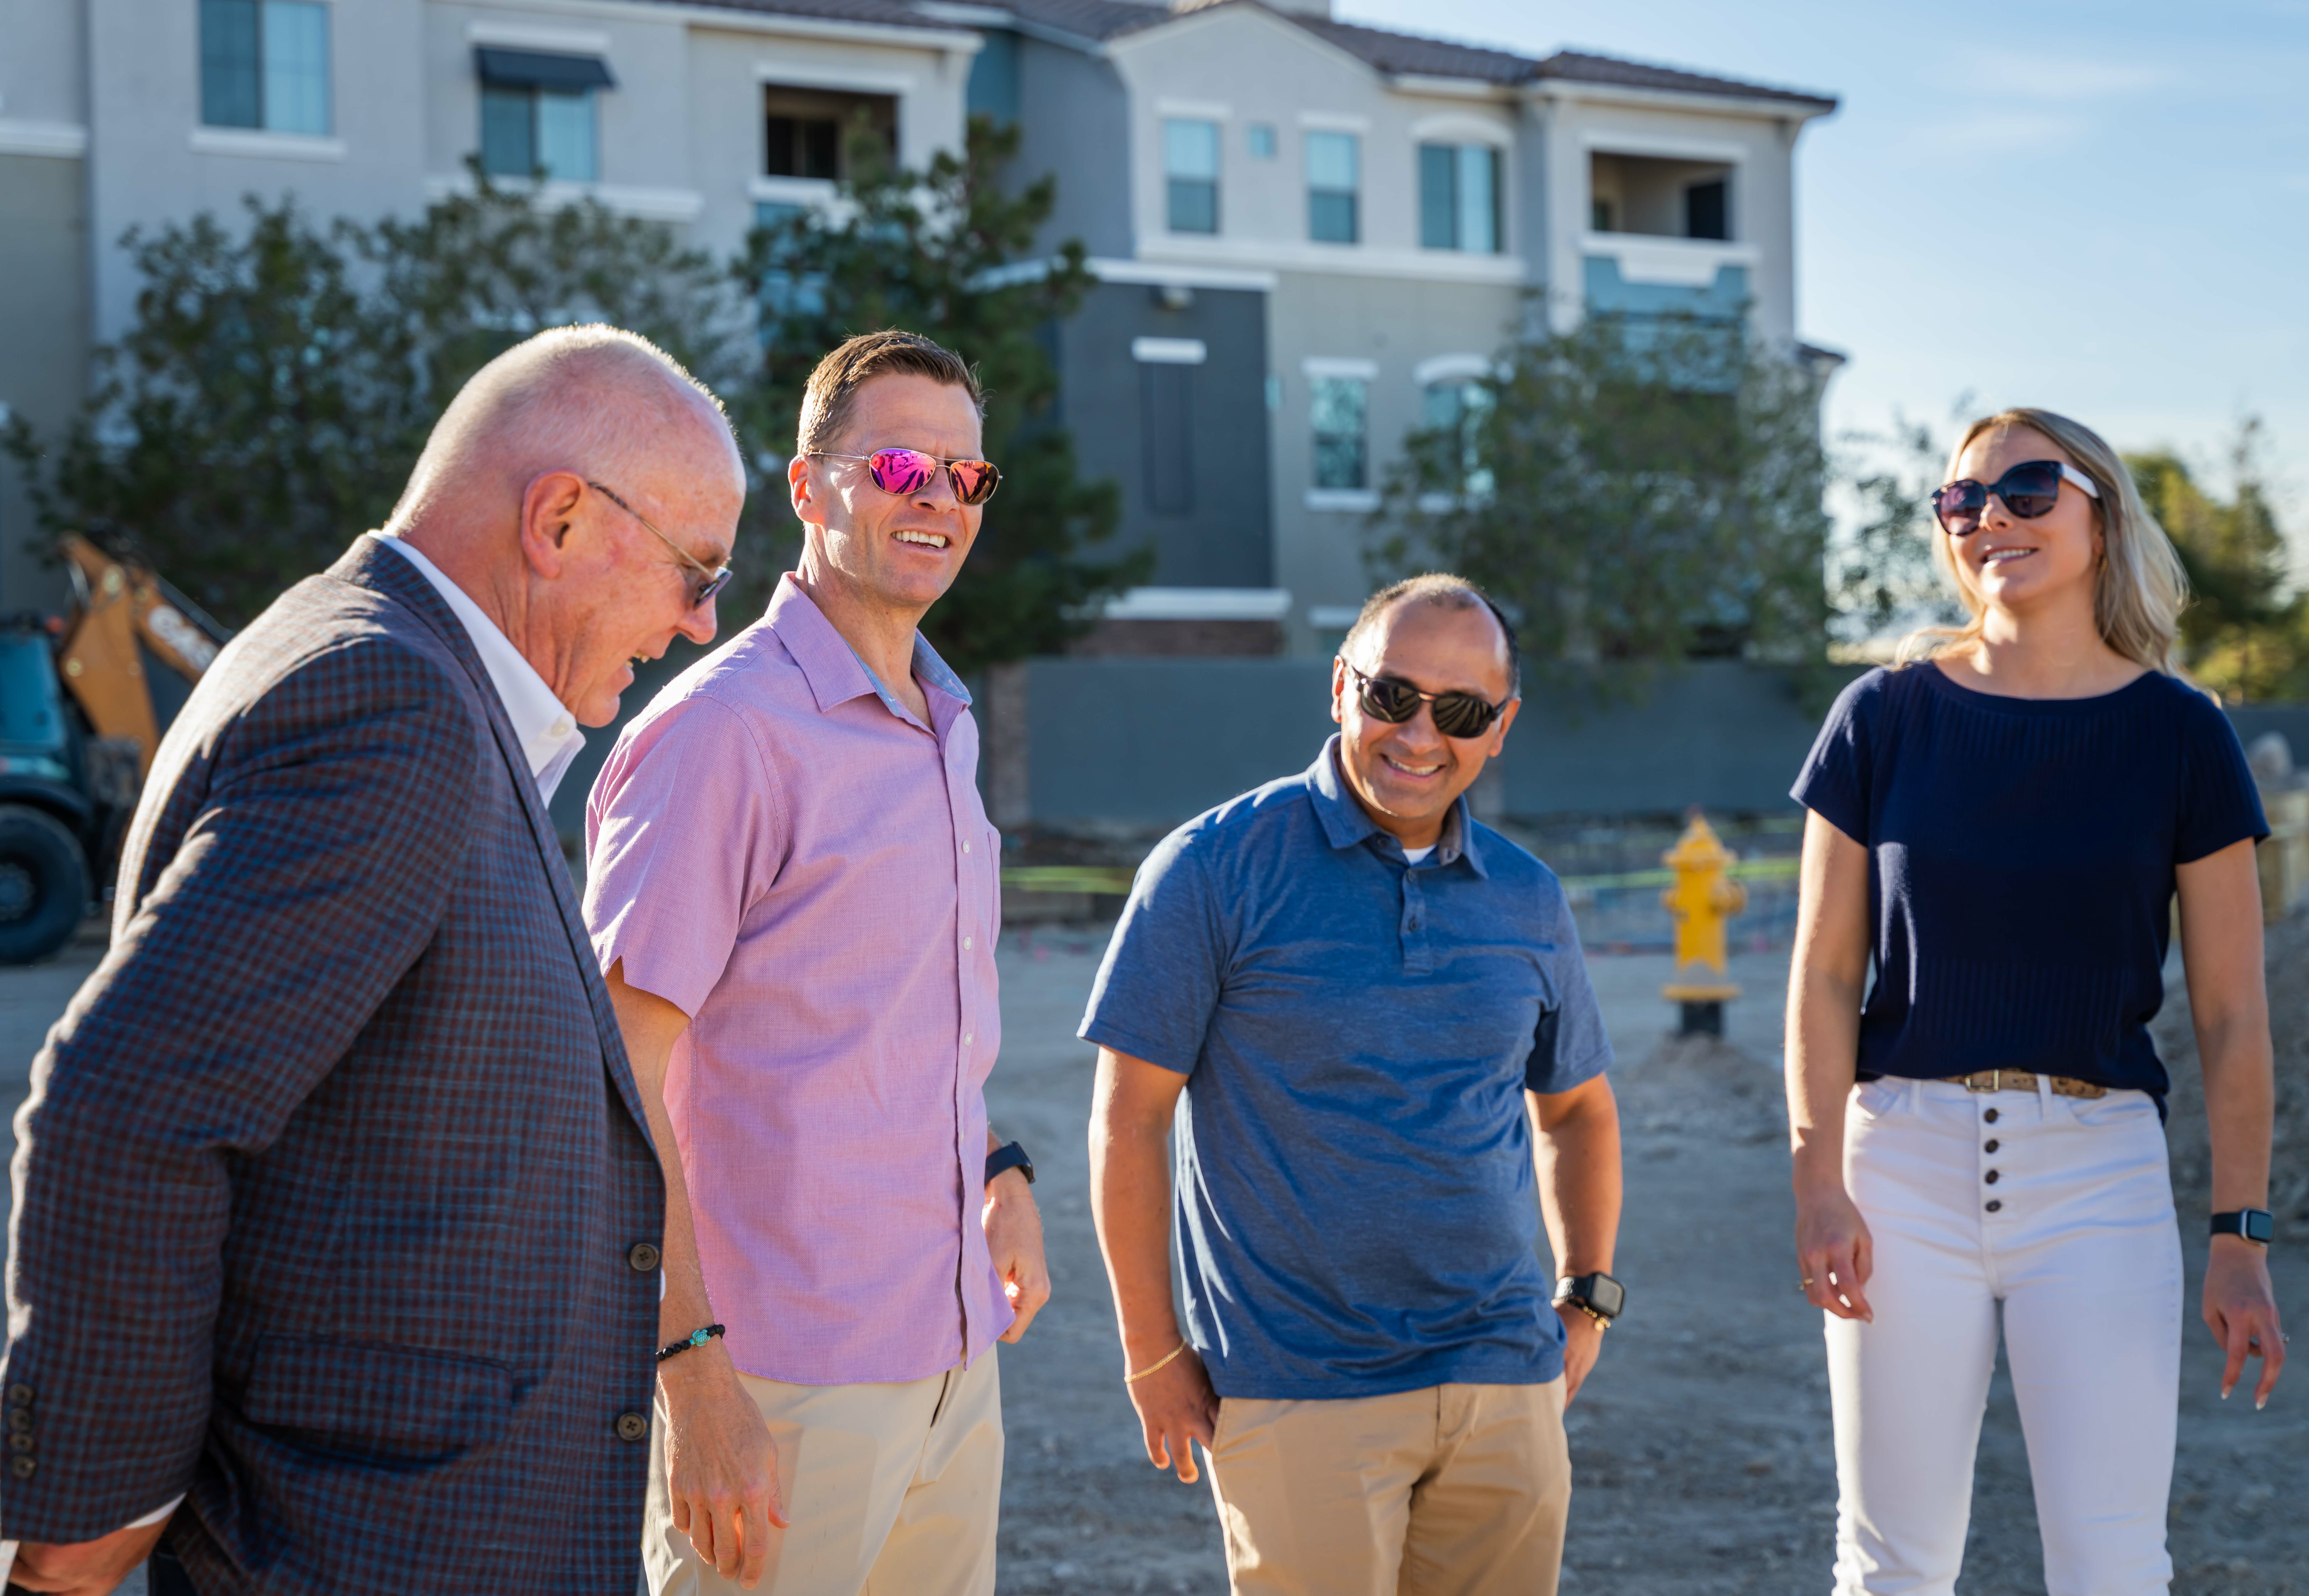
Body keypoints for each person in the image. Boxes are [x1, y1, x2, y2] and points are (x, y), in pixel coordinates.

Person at [0, 324, 741, 1595]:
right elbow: (129, 1108)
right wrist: (90, 1527)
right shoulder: (392, 705)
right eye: (696, 569)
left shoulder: (391, 672)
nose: (697, 622)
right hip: (359, 1552)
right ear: (560, 518)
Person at [1785, 407, 2287, 1595]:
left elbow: (2231, 1012)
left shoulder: (2184, 734)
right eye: (1962, 500)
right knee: (1890, 1563)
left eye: (2026, 488)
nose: (1991, 518)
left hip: (2099, 1175)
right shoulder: (1882, 715)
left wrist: (2241, 1232)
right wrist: (1817, 1178)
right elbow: (1818, 973)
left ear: (2100, 511)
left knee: (2113, 1563)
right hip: (1898, 1165)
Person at [583, 328, 1048, 1596]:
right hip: (779, 1378)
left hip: (953, 1354)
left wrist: (997, 1165)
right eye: (900, 465)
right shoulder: (721, 734)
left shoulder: (941, 721)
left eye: (968, 476)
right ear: (806, 487)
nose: (939, 500)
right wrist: (692, 1369)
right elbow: (615, 1080)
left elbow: (896, 1018)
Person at [1082, 573, 1624, 1596]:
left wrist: (1588, 1295)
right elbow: (1129, 1118)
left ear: (1502, 727)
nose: (1420, 734)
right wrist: (1152, 1349)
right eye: (1393, 696)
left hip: (1506, 1379)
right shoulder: (1210, 868)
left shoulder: (1529, 894)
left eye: (1460, 712)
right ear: (1342, 686)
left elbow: (1580, 1111)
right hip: (1297, 1387)